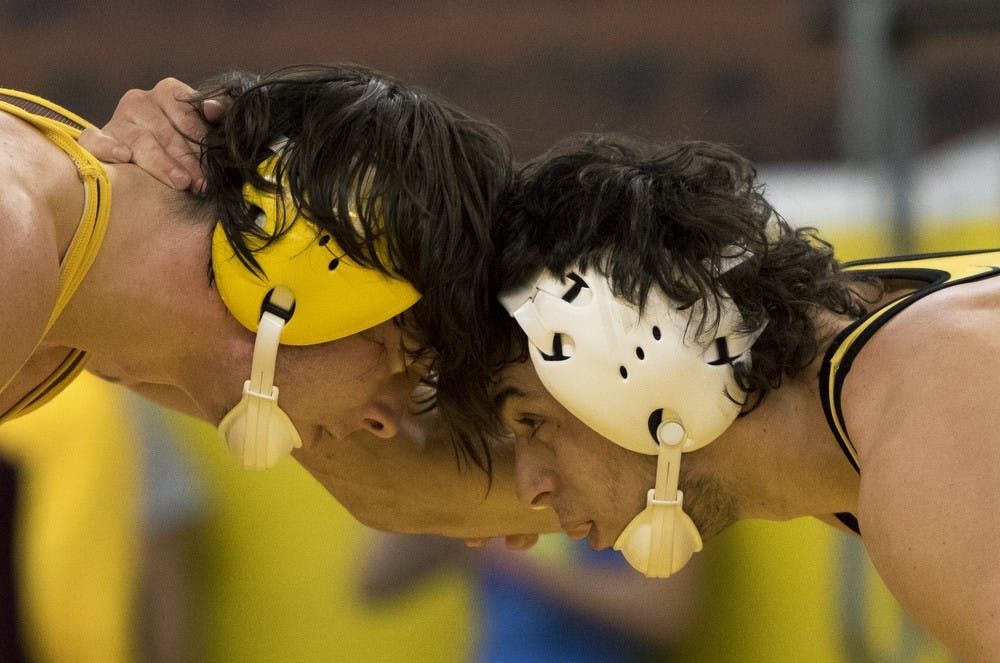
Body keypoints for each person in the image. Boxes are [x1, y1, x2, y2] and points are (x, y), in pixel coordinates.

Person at [469, 133, 998, 662]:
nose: (529, 487)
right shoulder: (874, 370)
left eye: (532, 422)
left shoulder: (926, 422)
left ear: (641, 359)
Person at [0, 65, 557, 542]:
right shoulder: (15, 233)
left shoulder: (91, 302)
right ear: (300, 270)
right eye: (401, 361)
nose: (386, 421)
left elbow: (398, 485)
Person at [358, 531, 698, 663]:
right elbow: (372, 583)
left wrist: (518, 563)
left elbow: (667, 613)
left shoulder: (645, 453)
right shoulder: (487, 458)